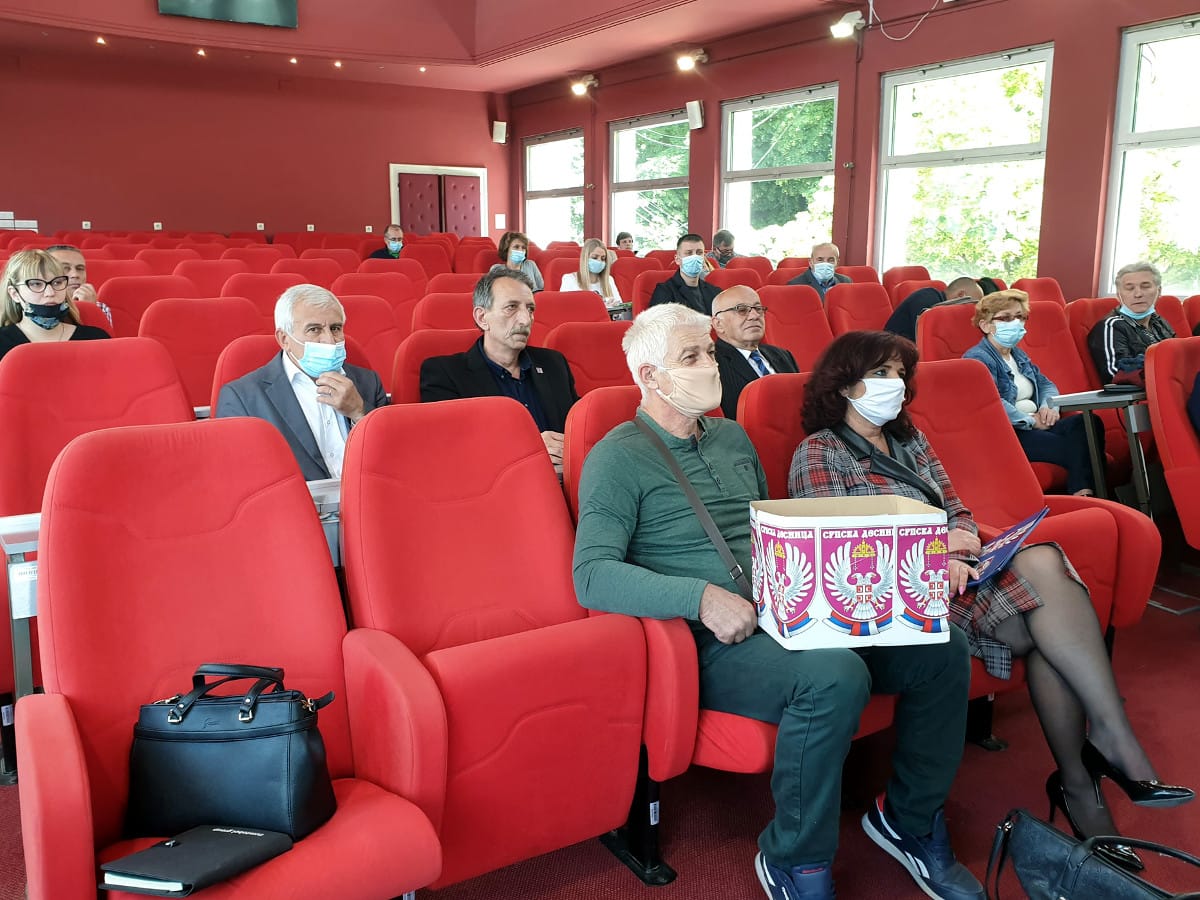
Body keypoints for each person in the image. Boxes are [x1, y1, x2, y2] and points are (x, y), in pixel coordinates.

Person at [574, 304, 983, 900]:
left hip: (789, 613)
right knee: (834, 675)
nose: (709, 365)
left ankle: (910, 819)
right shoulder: (617, 456)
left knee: (943, 647)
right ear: (649, 376)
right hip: (710, 641)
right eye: (691, 356)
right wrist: (701, 598)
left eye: (710, 353)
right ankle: (794, 858)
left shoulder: (732, 438)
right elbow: (591, 575)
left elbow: (773, 532)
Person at [790, 330, 1193, 875]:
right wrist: (935, 555)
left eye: (900, 374)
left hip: (960, 577)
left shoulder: (909, 439)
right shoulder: (819, 452)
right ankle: (1092, 770)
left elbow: (956, 508)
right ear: (844, 384)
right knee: (1046, 609)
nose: (896, 385)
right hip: (896, 592)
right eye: (881, 374)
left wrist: (961, 544)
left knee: (1042, 565)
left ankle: (1090, 769)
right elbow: (843, 548)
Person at [215, 284, 387, 481]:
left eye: (335, 328)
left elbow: (394, 458)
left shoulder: (368, 382)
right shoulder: (243, 398)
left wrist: (359, 412)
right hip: (291, 499)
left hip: (368, 495)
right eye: (314, 329)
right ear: (284, 339)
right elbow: (239, 478)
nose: (330, 341)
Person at [421, 269, 577, 469]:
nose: (525, 320)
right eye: (511, 307)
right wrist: (531, 447)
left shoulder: (553, 363)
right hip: (494, 481)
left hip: (567, 479)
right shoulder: (444, 374)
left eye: (530, 309)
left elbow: (578, 427)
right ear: (482, 318)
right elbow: (450, 447)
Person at [963, 290, 1100, 496]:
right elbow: (990, 402)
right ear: (985, 325)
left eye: (1020, 317)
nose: (1015, 323)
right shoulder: (978, 358)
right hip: (1010, 433)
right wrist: (1030, 421)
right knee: (1083, 449)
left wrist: (1048, 408)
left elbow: (1046, 385)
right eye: (1005, 318)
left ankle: (1082, 493)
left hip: (1037, 424)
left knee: (1088, 424)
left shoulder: (1018, 355)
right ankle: (1084, 494)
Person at [1, 249, 110, 361]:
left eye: (57, 283)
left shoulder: (96, 338)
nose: (50, 293)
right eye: (36, 284)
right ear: (14, 294)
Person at [712, 285, 798, 419]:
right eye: (741, 310)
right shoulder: (712, 365)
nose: (755, 315)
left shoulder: (782, 355)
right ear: (718, 324)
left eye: (758, 309)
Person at [1087, 262, 1174, 384]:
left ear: (1159, 291)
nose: (1138, 294)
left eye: (1145, 286)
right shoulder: (1111, 326)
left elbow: (1179, 356)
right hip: (1145, 393)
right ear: (1119, 295)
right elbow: (1117, 375)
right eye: (1129, 288)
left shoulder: (1159, 322)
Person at [885, 276, 984, 342]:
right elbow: (925, 339)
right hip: (895, 352)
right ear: (961, 295)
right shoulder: (927, 299)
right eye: (972, 303)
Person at [648, 233, 719, 315]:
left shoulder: (714, 291)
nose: (695, 257)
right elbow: (658, 321)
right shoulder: (664, 291)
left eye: (699, 253)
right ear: (677, 259)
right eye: (689, 253)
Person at [47, 243, 113, 327]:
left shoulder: (100, 307)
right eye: (65, 268)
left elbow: (102, 335)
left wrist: (90, 309)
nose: (75, 274)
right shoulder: (36, 307)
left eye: (80, 268)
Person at [560, 238, 624, 311]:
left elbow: (620, 309)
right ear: (585, 258)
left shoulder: (609, 280)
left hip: (608, 318)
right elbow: (566, 309)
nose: (599, 261)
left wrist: (614, 309)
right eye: (594, 257)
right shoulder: (569, 279)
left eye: (603, 258)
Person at [786, 242, 850, 302]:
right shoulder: (795, 285)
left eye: (831, 260)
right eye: (820, 260)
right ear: (811, 263)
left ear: (837, 263)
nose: (825, 264)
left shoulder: (846, 281)